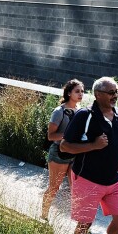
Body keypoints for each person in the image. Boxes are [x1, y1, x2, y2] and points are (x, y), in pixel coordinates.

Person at [59, 77, 118, 234]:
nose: (115, 96)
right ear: (98, 95)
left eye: (117, 92)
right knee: (85, 223)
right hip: (88, 178)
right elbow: (64, 146)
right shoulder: (85, 115)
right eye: (111, 92)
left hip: (112, 180)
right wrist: (93, 145)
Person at [41, 79, 85, 219]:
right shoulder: (59, 111)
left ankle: (81, 224)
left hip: (75, 154)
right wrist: (69, 134)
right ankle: (43, 216)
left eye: (82, 91)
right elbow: (50, 136)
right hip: (59, 154)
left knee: (77, 190)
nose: (80, 94)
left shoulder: (81, 111)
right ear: (69, 93)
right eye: (77, 91)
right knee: (54, 188)